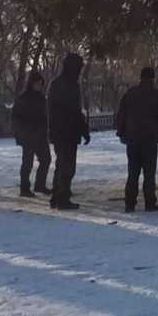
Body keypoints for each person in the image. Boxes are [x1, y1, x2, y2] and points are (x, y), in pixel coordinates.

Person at [115, 66, 158, 212]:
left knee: (132, 172)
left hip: (133, 139)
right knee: (149, 173)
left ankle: (130, 203)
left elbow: (121, 114)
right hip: (150, 139)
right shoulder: (157, 95)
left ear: (141, 78)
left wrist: (121, 133)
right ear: (152, 79)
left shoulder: (131, 94)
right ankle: (150, 202)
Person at [47, 51, 91, 210]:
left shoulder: (57, 83)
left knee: (62, 164)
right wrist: (83, 129)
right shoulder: (69, 85)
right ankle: (62, 198)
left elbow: (73, 111)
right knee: (67, 166)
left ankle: (56, 197)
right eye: (79, 68)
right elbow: (73, 110)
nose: (80, 71)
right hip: (66, 131)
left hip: (62, 131)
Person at [12, 70, 50, 198]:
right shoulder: (23, 98)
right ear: (31, 84)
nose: (39, 86)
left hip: (40, 134)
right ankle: (24, 188)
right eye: (37, 83)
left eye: (40, 84)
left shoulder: (41, 97)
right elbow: (16, 118)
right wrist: (21, 134)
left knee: (46, 159)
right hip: (28, 135)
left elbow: (44, 115)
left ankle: (40, 185)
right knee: (27, 162)